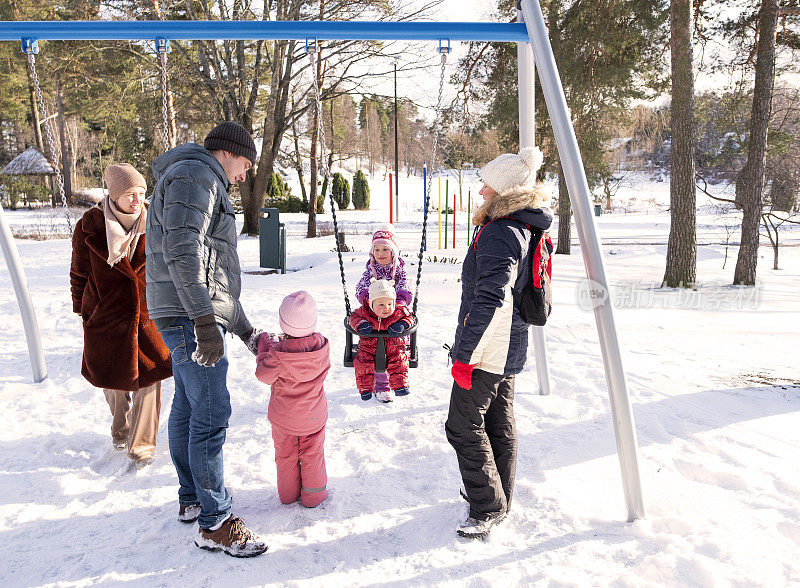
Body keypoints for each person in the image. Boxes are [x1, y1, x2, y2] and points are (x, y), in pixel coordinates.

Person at [146, 121, 267, 558]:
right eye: (246, 162)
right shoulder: (196, 175)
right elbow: (182, 250)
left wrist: (244, 329)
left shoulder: (199, 177)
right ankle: (215, 521)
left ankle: (191, 496)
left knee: (188, 405)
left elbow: (211, 275)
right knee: (212, 410)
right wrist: (202, 322)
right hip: (185, 314)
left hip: (183, 311)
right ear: (229, 152)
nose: (246, 173)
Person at [445, 146, 552, 540]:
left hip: (490, 347)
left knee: (462, 425)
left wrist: (466, 354)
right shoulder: (521, 226)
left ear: (505, 190)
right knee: (497, 421)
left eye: (487, 185)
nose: (481, 192)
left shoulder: (500, 232)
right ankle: (499, 496)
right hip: (509, 342)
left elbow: (492, 296)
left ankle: (488, 505)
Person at [70, 163, 172, 470]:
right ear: (114, 196)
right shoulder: (89, 226)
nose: (137, 199)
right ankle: (121, 427)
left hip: (148, 316)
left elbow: (169, 267)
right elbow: (79, 273)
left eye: (141, 192)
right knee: (113, 384)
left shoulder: (155, 222)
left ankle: (142, 446)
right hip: (106, 318)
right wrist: (82, 310)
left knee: (150, 379)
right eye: (130, 194)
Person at [255, 291, 330, 508]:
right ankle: (314, 496)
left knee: (286, 456)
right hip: (314, 416)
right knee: (313, 454)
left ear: (283, 324)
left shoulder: (277, 355)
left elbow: (263, 375)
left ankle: (288, 496)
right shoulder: (322, 346)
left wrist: (264, 349)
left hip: (285, 420)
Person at [354, 225, 412, 398]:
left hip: (393, 315)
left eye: (385, 249)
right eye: (377, 249)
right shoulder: (370, 270)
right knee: (372, 350)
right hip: (374, 317)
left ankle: (398, 383)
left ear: (393, 251)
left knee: (393, 352)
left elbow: (405, 288)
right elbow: (361, 287)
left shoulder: (399, 270)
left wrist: (398, 302)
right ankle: (381, 386)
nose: (381, 253)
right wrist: (368, 299)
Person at [349, 278, 414, 403]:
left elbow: (409, 317)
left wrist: (403, 324)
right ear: (371, 303)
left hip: (394, 347)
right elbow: (353, 317)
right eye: (381, 305)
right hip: (368, 347)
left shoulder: (398, 311)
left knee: (399, 361)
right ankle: (366, 389)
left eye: (390, 304)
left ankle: (400, 385)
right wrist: (361, 324)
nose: (387, 308)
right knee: (363, 364)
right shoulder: (364, 312)